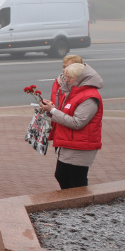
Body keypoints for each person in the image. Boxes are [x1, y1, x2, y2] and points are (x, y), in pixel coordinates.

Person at [41, 60, 103, 190]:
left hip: (80, 146)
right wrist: (51, 110)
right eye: (65, 77)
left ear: (81, 78)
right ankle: (74, 202)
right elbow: (66, 114)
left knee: (76, 182)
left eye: (70, 77)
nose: (66, 80)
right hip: (70, 143)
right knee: (62, 176)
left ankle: (81, 202)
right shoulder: (75, 92)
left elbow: (77, 123)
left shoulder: (89, 97)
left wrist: (53, 111)